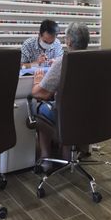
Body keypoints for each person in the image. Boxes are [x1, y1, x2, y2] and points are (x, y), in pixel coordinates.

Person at [31, 22, 90, 164]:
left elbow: (39, 94)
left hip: (65, 115)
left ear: (68, 41)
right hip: (89, 113)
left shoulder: (63, 61)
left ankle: (45, 157)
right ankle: (67, 155)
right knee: (71, 107)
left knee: (38, 108)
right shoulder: (96, 59)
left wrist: (37, 81)